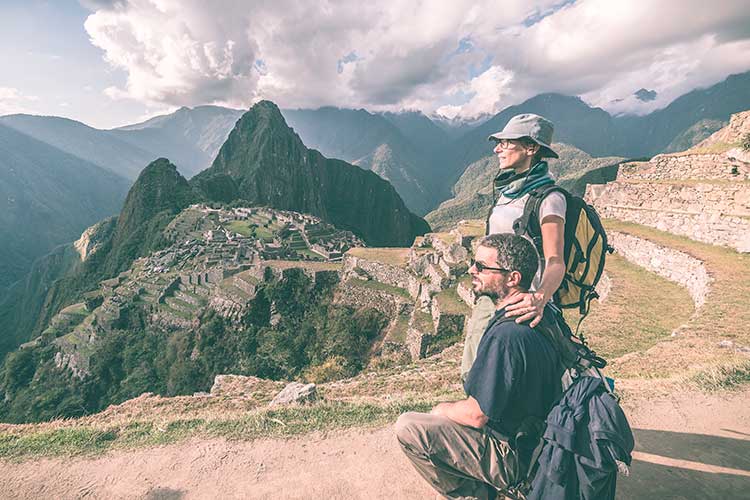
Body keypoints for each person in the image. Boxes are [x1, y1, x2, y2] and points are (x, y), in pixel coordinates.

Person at [396, 234, 564, 499]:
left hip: (514, 455)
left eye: (482, 266)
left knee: (409, 427)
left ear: (513, 278)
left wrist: (442, 410)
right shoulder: (541, 315)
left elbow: (477, 415)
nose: (472, 270)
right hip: (539, 441)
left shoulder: (505, 336)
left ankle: (476, 494)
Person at [461, 113, 566, 381]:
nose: (497, 149)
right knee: (474, 365)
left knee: (501, 372)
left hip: (521, 300)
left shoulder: (549, 199)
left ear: (531, 148)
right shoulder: (509, 191)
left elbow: (555, 260)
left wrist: (540, 298)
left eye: (506, 143)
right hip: (493, 293)